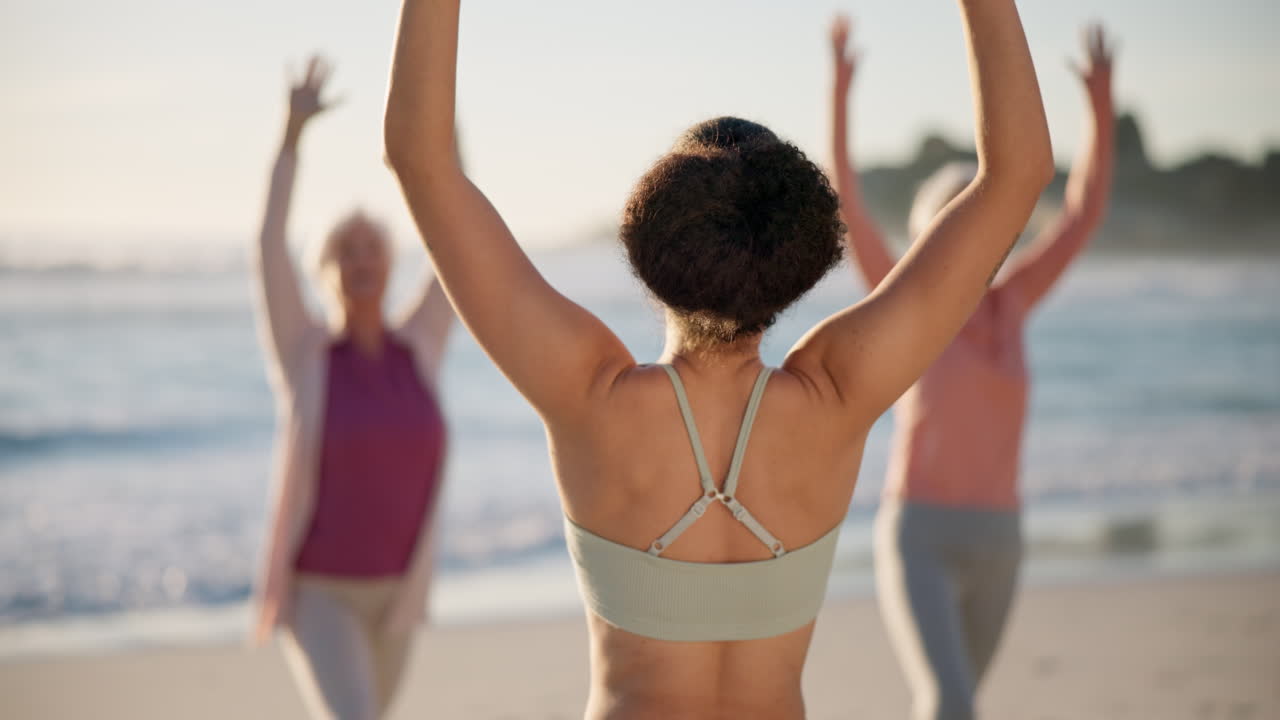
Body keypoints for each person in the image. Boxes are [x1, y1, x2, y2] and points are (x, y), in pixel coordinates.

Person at [384, 0, 1052, 716]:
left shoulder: (590, 393)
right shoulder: (836, 395)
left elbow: (421, 161)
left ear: (656, 239)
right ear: (792, 255)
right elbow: (1018, 174)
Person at [830, 17, 1116, 720]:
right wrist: (839, 91)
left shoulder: (1013, 303)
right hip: (919, 533)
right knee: (951, 703)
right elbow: (849, 202)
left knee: (957, 706)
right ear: (932, 235)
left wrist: (1100, 108)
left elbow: (1080, 214)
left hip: (1000, 538)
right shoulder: (904, 298)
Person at [251, 56, 456, 720]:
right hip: (322, 592)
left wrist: (443, 134)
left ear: (392, 263)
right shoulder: (306, 353)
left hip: (400, 593)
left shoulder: (419, 346)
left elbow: (458, 240)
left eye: (373, 248)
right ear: (328, 270)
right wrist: (290, 137)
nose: (363, 259)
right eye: (348, 251)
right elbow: (267, 245)